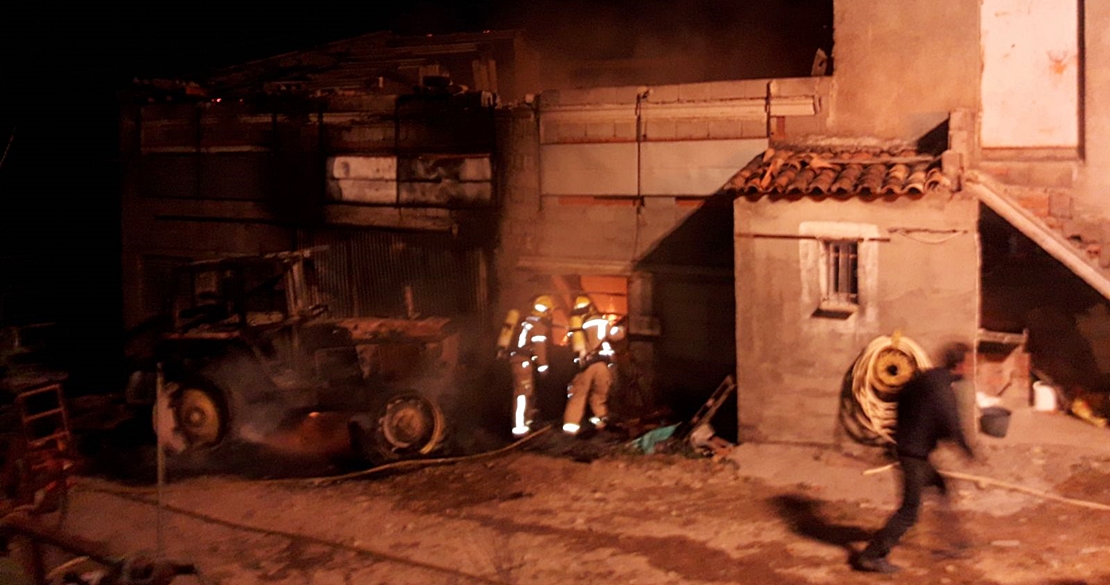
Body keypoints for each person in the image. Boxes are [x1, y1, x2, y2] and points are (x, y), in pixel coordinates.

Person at [852, 341, 977, 574]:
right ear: (959, 365)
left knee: (941, 487)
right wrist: (969, 451)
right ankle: (871, 556)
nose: (970, 369)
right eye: (968, 363)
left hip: (909, 448)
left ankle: (955, 542)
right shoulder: (942, 392)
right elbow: (951, 426)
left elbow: (900, 402)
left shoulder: (922, 379)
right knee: (909, 511)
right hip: (914, 455)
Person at [562, 297, 623, 435]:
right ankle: (600, 423)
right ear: (591, 307)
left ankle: (570, 429)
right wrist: (622, 328)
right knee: (599, 396)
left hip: (585, 365)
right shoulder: (599, 320)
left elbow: (570, 346)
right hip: (602, 365)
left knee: (578, 396)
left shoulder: (575, 325)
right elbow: (615, 335)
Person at [499, 295, 556, 437]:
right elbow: (539, 348)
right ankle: (519, 428)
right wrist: (543, 366)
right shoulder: (538, 325)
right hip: (522, 362)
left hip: (520, 361)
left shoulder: (525, 321)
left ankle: (528, 422)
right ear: (546, 310)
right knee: (522, 395)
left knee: (527, 392)